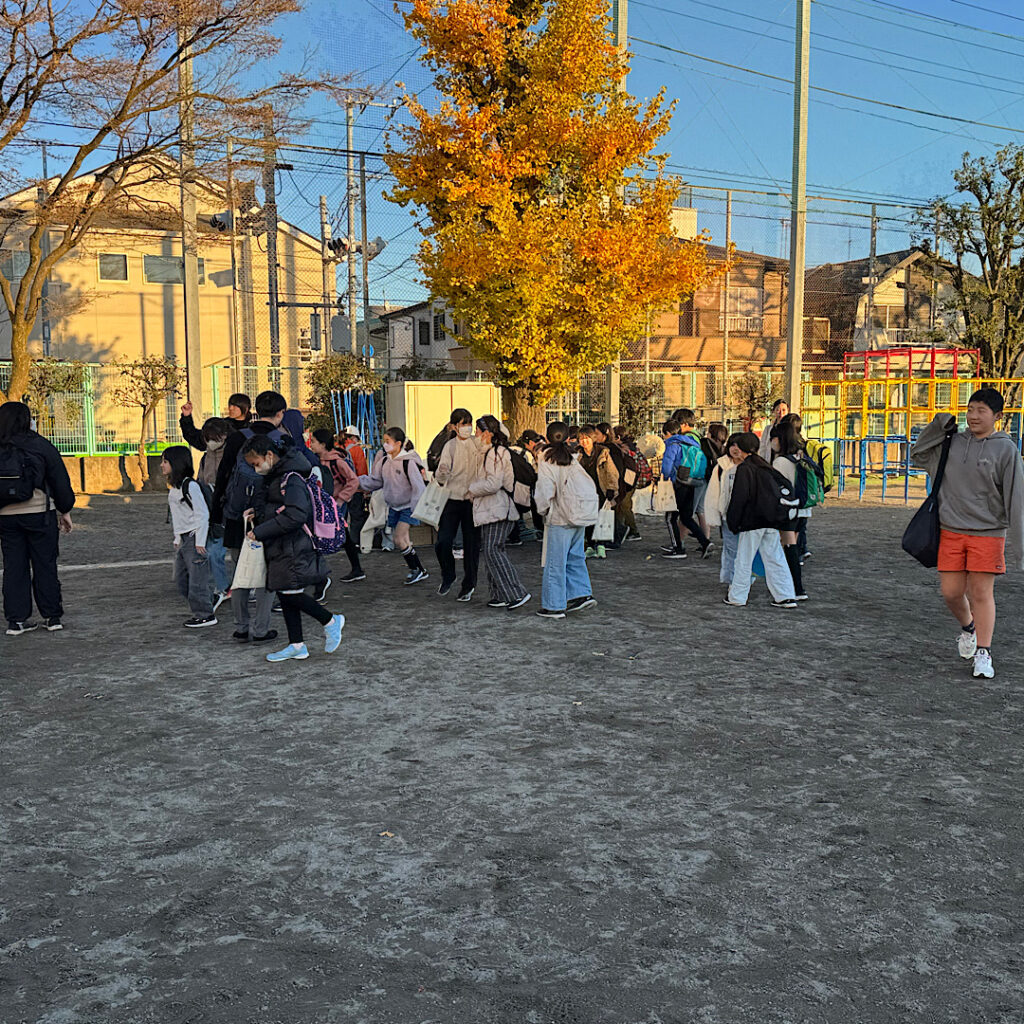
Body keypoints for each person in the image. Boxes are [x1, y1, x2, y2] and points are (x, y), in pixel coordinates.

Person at [910, 388, 1024, 680]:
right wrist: (939, 425)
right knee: (950, 592)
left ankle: (984, 652)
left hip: (988, 532)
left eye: (981, 411)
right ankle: (969, 628)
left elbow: (1016, 498)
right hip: (950, 529)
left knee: (980, 593)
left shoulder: (1006, 449)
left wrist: (1019, 546)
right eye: (970, 409)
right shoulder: (953, 442)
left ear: (997, 416)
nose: (973, 416)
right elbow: (918, 454)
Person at [242, 435, 344, 663]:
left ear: (269, 455)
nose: (256, 468)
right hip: (285, 544)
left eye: (256, 463)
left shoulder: (290, 478)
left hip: (292, 545)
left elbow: (295, 515)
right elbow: (282, 509)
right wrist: (258, 515)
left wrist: (261, 530)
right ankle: (297, 644)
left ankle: (329, 621)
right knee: (286, 592)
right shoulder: (285, 475)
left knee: (290, 593)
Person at [212, 390, 292, 645]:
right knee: (266, 573)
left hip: (237, 515)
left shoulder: (238, 437)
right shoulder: (283, 440)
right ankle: (261, 628)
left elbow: (223, 474)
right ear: (280, 413)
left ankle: (241, 627)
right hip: (268, 516)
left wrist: (217, 512)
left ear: (255, 410)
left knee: (241, 571)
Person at [0, 401, 75, 634]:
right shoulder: (40, 445)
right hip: (39, 513)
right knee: (45, 565)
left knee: (14, 567)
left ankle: (16, 620)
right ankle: (52, 617)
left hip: (6, 517)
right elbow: (59, 480)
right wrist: (65, 510)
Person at [723, 433, 798, 609]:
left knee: (744, 559)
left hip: (752, 521)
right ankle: (785, 596)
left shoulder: (745, 468)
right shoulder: (766, 466)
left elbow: (739, 498)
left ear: (740, 449)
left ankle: (737, 596)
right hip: (771, 520)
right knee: (775, 558)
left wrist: (733, 521)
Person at [534, 421, 598, 619]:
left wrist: (543, 510)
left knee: (555, 561)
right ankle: (581, 593)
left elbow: (545, 490)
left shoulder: (547, 459)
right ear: (568, 437)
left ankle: (554, 605)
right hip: (579, 513)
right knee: (575, 556)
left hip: (560, 517)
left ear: (547, 437)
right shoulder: (572, 458)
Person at [469, 414, 532, 609]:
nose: (475, 434)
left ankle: (516, 592)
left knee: (492, 550)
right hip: (494, 508)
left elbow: (493, 483)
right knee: (492, 550)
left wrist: (471, 489)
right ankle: (500, 594)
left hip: (498, 508)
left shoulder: (495, 453)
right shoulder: (492, 451)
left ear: (487, 433)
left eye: (477, 430)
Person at [359, 426, 430, 585]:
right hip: (394, 506)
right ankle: (419, 570)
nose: (385, 444)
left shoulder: (408, 462)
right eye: (384, 441)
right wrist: (358, 482)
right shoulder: (384, 461)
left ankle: (415, 569)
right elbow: (376, 481)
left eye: (388, 441)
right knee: (404, 540)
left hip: (408, 506)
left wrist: (415, 508)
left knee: (398, 538)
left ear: (398, 443)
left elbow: (418, 487)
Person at [161, 445, 217, 628]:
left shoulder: (190, 486)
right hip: (184, 538)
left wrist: (200, 541)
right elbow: (178, 517)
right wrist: (177, 538)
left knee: (197, 580)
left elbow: (202, 514)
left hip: (194, 537)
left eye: (165, 461)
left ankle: (205, 614)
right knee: (181, 579)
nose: (162, 465)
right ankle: (209, 599)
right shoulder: (175, 488)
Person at [433, 408, 482, 601]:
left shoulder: (477, 443)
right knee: (443, 541)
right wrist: (443, 472)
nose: (467, 428)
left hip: (472, 500)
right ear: (454, 426)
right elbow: (440, 476)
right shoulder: (450, 446)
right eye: (463, 424)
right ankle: (448, 574)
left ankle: (469, 585)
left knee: (471, 545)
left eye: (469, 423)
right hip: (451, 499)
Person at [309, 429, 365, 584]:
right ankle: (356, 569)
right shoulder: (318, 459)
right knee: (340, 534)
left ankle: (353, 569)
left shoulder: (337, 461)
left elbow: (353, 480)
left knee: (333, 534)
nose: (311, 444)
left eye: (313, 441)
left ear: (322, 444)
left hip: (334, 503)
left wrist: (341, 499)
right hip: (325, 503)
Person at [660, 418, 712, 560]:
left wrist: (665, 478)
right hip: (692, 482)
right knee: (686, 517)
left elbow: (667, 466)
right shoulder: (692, 443)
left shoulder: (673, 444)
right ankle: (705, 542)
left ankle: (678, 548)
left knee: (670, 517)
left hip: (678, 484)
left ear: (668, 433)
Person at [197, 417, 232, 607]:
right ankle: (223, 587)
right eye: (208, 438)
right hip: (211, 511)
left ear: (224, 436)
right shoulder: (205, 457)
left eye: (214, 438)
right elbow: (201, 481)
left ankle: (240, 587)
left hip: (229, 510)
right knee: (213, 552)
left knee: (222, 552)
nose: (211, 442)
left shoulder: (232, 455)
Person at [705, 432, 745, 586]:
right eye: (732, 445)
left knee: (745, 551)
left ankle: (742, 581)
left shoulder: (752, 466)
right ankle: (732, 582)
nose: (735, 449)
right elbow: (713, 493)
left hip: (748, 517)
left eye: (739, 446)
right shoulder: (721, 467)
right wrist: (713, 516)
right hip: (728, 516)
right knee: (731, 549)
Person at [577, 424, 619, 558]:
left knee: (601, 517)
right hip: (584, 491)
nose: (584, 441)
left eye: (587, 438)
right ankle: (590, 545)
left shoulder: (603, 452)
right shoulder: (577, 455)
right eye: (581, 439)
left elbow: (611, 472)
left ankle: (601, 545)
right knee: (588, 518)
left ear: (593, 438)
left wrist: (612, 488)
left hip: (600, 489)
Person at [179, 393, 250, 450]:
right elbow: (196, 438)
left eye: (235, 406)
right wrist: (186, 417)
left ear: (245, 408)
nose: (231, 408)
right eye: (230, 405)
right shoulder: (220, 426)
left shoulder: (252, 430)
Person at [340, 425, 371, 545]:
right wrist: (365, 488)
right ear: (353, 437)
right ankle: (354, 542)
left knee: (341, 516)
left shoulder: (336, 449)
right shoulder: (356, 450)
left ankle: (341, 540)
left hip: (339, 489)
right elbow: (361, 470)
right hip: (355, 489)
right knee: (356, 516)